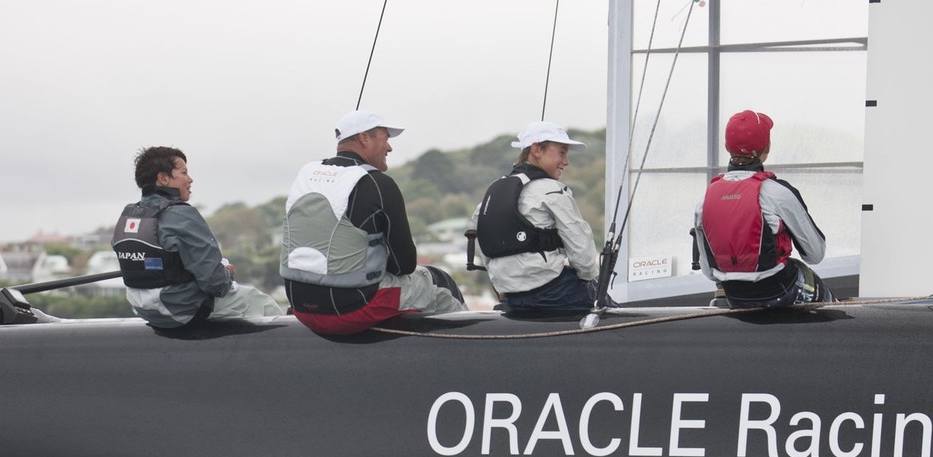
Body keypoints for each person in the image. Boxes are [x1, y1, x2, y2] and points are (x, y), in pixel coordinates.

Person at [282, 110, 467, 335]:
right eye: (386, 139)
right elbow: (404, 266)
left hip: (300, 305)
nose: (389, 148)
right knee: (438, 282)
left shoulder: (305, 175)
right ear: (364, 138)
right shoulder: (379, 184)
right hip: (353, 309)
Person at [112, 146, 283, 328]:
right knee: (262, 303)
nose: (190, 179)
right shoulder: (181, 215)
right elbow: (215, 284)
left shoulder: (129, 216)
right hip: (180, 310)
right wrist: (226, 272)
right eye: (184, 172)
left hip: (143, 309)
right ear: (163, 178)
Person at [693, 110, 834, 308]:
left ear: (726, 147)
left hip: (735, 297)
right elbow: (815, 254)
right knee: (815, 284)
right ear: (766, 149)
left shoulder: (705, 200)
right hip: (780, 291)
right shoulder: (777, 193)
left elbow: (709, 272)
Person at [472, 121, 605, 311]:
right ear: (536, 149)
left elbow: (487, 247)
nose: (566, 161)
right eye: (562, 152)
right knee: (609, 307)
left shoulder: (492, 194)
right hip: (552, 293)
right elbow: (583, 257)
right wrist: (592, 286)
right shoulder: (552, 191)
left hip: (511, 298)